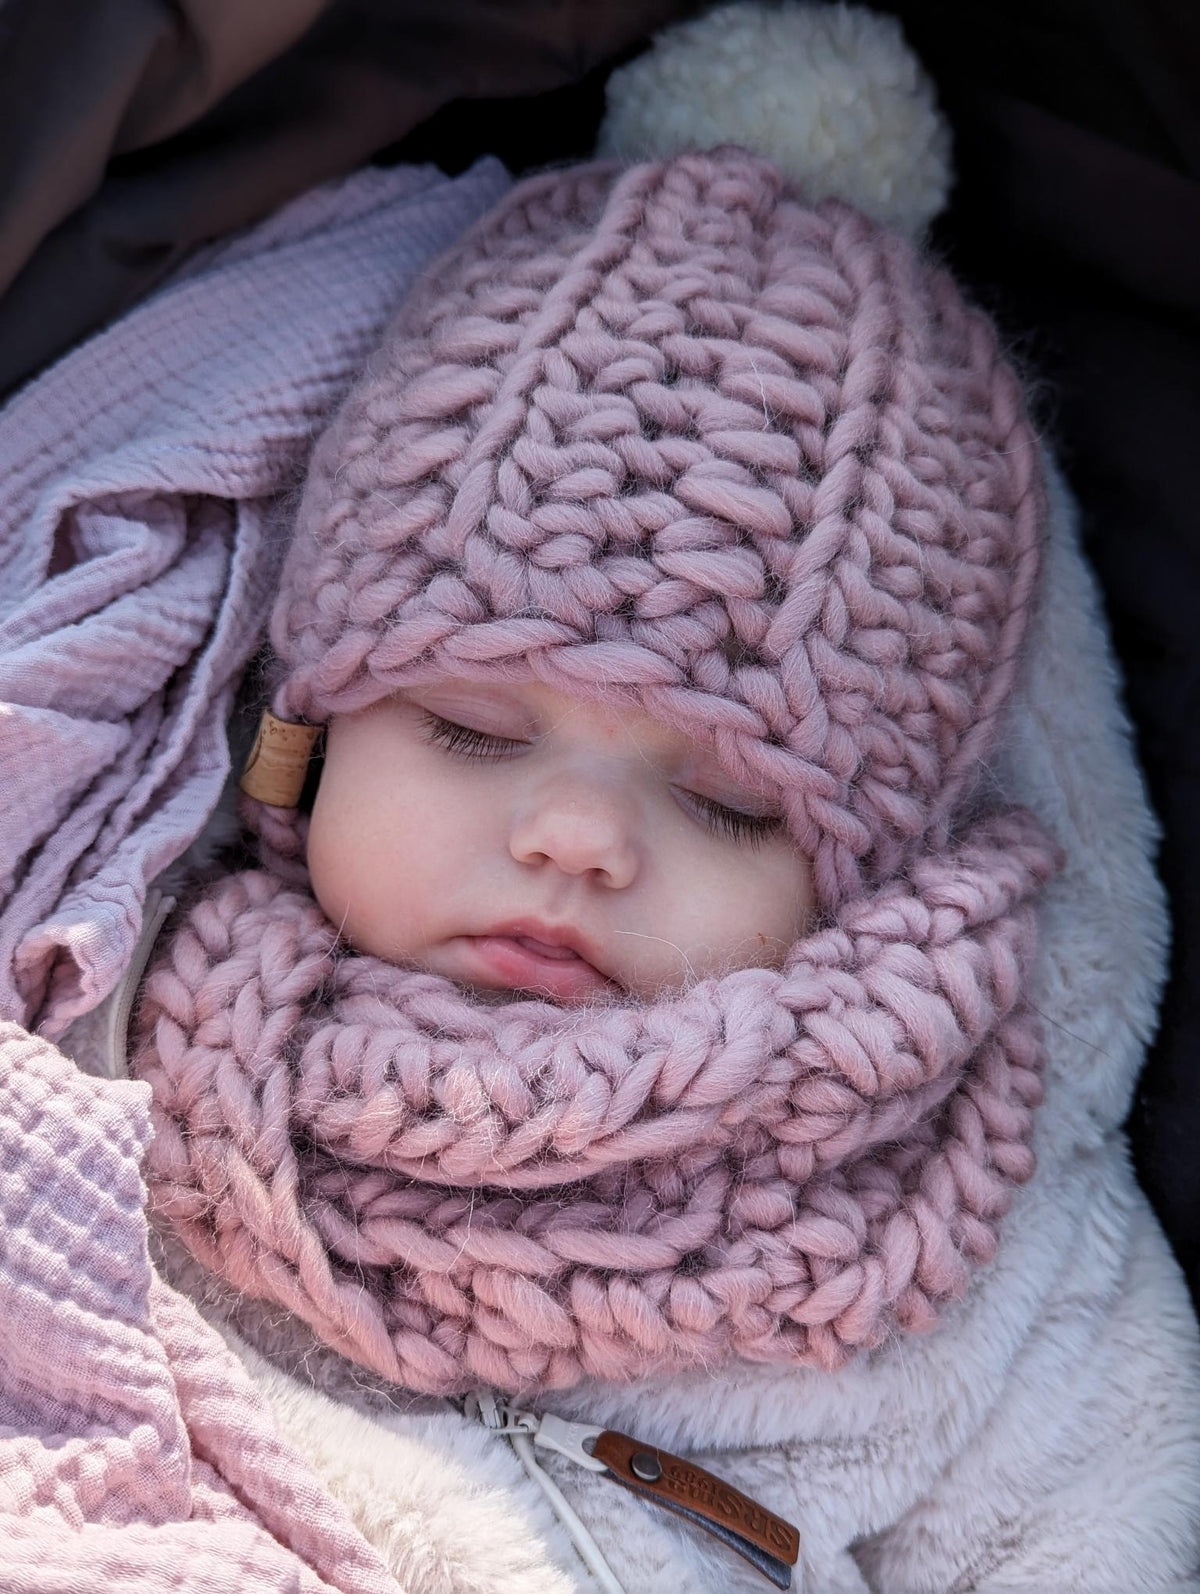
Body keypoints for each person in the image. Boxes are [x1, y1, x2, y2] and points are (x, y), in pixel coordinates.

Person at [7, 6, 1199, 1590]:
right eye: (475, 730)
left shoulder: (969, 1261)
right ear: (305, 734)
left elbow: (1102, 1525)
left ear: (871, 883)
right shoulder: (107, 1045)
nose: (578, 835)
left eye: (723, 805)